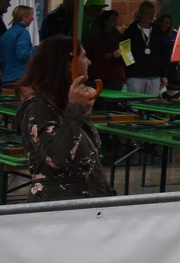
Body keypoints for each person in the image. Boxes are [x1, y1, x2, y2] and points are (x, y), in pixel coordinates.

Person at [15, 36, 110, 200]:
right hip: (59, 209)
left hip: (89, 204)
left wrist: (83, 111)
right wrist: (75, 109)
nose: (89, 62)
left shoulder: (61, 105)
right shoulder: (38, 108)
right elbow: (57, 158)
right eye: (83, 56)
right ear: (68, 64)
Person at [120, 0, 169, 95]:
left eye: (152, 14)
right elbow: (125, 52)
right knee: (134, 104)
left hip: (154, 75)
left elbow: (163, 54)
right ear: (140, 13)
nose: (150, 16)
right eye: (147, 13)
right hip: (136, 75)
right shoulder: (130, 31)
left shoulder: (157, 31)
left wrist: (164, 75)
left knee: (152, 105)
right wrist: (131, 69)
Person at [83, 8, 125, 89]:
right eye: (113, 19)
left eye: (116, 19)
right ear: (105, 21)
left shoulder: (121, 38)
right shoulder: (95, 38)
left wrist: (116, 57)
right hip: (98, 74)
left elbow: (127, 57)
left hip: (115, 76)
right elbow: (90, 55)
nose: (116, 21)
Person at [1, 5, 34, 85]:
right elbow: (23, 54)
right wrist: (37, 49)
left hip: (6, 78)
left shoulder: (6, 34)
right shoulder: (23, 32)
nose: (32, 19)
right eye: (31, 16)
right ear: (24, 17)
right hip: (19, 78)